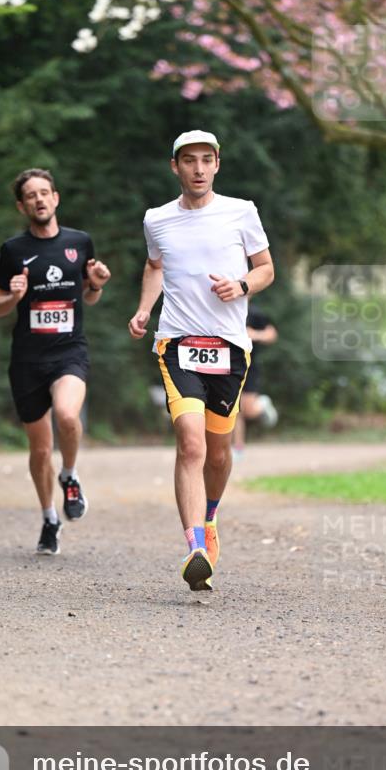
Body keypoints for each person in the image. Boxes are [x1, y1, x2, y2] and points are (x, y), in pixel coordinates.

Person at [128, 130, 274, 591]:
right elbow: (155, 266)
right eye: (188, 160)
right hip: (177, 344)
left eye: (205, 160)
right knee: (190, 443)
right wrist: (144, 309)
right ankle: (194, 546)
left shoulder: (241, 211)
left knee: (218, 452)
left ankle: (209, 519)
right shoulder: (157, 219)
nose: (197, 168)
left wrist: (243, 286)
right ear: (175, 166)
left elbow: (266, 267)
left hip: (230, 346)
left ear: (217, 164)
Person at [0, 168, 111, 555]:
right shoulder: (12, 251)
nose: (39, 199)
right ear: (22, 205)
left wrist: (95, 283)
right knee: (40, 449)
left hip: (68, 351)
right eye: (31, 195)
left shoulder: (79, 242)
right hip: (27, 359)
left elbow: (90, 297)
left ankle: (70, 476)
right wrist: (13, 295)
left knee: (67, 415)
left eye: (45, 192)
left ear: (56, 198)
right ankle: (49, 518)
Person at [232, 303, 279, 456]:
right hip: (227, 365)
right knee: (234, 409)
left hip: (249, 367)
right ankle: (238, 447)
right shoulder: (221, 310)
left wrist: (254, 335)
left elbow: (272, 334)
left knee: (248, 410)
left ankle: (262, 404)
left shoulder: (254, 312)